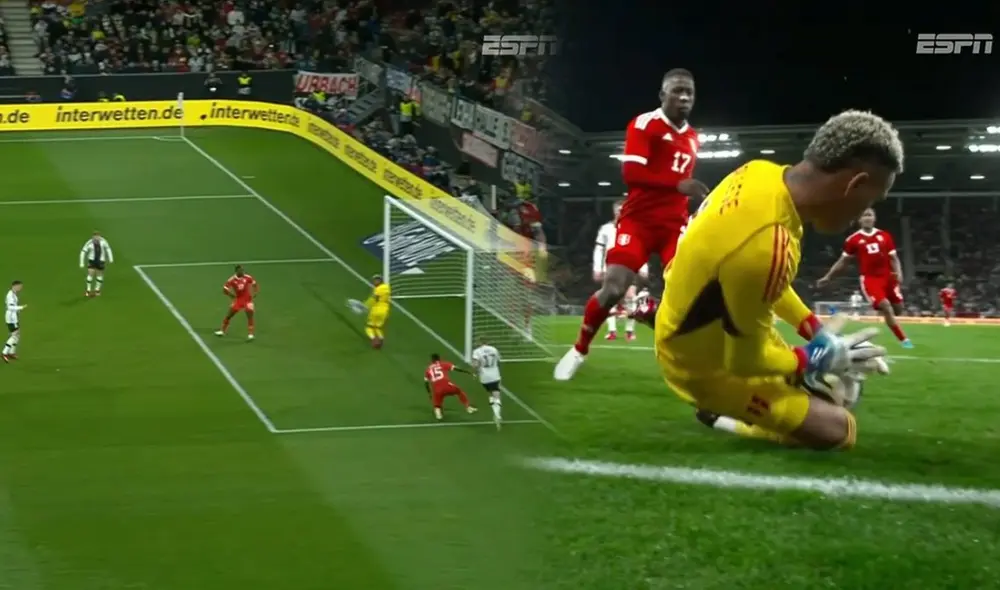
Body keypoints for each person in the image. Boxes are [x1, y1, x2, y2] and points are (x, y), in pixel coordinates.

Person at [649, 110, 898, 450]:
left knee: (835, 391)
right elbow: (744, 361)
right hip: (701, 365)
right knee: (839, 430)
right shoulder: (768, 243)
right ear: (854, 185)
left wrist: (816, 331)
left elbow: (752, 274)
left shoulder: (758, 174)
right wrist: (814, 357)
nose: (861, 215)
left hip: (699, 330)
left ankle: (759, 400)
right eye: (868, 201)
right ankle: (716, 412)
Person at [555, 68, 709, 380]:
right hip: (637, 222)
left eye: (689, 93)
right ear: (662, 95)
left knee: (692, 291)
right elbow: (632, 175)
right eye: (677, 91)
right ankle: (579, 349)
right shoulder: (644, 125)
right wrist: (678, 184)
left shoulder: (693, 138)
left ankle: (675, 343)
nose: (683, 97)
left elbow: (681, 188)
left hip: (673, 226)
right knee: (613, 289)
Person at [816, 208, 912, 348]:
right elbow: (842, 262)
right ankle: (903, 339)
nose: (867, 218)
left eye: (870, 215)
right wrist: (828, 277)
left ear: (874, 218)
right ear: (859, 220)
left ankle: (882, 309)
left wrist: (899, 272)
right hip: (870, 280)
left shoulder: (884, 236)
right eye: (864, 215)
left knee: (898, 309)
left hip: (888, 277)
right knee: (886, 306)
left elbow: (893, 258)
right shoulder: (853, 240)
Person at [593, 200, 649, 341]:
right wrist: (597, 268)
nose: (620, 212)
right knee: (609, 299)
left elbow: (642, 249)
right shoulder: (605, 229)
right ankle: (612, 331)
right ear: (614, 211)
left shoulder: (636, 228)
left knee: (630, 297)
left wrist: (643, 267)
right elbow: (599, 250)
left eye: (623, 210)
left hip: (630, 268)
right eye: (618, 210)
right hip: (610, 269)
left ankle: (629, 331)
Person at [424, 354, 477, 421]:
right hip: (447, 386)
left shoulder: (428, 369)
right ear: (439, 359)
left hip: (437, 390)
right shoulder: (443, 364)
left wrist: (429, 393)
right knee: (459, 391)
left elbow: (426, 383)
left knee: (437, 405)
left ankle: (438, 415)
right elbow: (457, 369)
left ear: (432, 360)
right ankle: (468, 407)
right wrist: (469, 372)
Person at [215, 265, 258, 341]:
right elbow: (225, 288)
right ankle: (222, 331)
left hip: (247, 300)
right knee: (229, 315)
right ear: (237, 271)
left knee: (250, 316)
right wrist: (231, 295)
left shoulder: (247, 277)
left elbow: (255, 284)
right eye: (241, 270)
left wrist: (255, 293)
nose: (242, 272)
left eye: (243, 270)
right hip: (238, 300)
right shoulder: (232, 279)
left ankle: (250, 334)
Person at [471, 339, 504, 429]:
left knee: (490, 394)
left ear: (480, 343)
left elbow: (475, 364)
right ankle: (497, 414)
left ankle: (496, 414)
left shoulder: (477, 351)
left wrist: (474, 373)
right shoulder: (494, 349)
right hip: (495, 375)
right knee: (496, 394)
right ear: (487, 342)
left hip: (484, 376)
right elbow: (499, 361)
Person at [79, 231, 113, 297]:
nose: (96, 238)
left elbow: (108, 249)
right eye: (95, 237)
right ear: (93, 237)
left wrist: (111, 258)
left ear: (99, 237)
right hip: (92, 260)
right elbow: (83, 251)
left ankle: (97, 290)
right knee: (90, 274)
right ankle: (88, 290)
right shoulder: (89, 243)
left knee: (99, 274)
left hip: (101, 260)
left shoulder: (103, 241)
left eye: (97, 236)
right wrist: (81, 262)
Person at [365, 275, 391, 349]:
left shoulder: (378, 289)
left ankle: (373, 339)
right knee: (378, 327)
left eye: (375, 280)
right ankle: (381, 338)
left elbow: (374, 299)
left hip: (376, 309)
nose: (374, 282)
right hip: (385, 310)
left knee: (369, 327)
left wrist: (365, 305)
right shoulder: (387, 287)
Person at [3, 280, 25, 362]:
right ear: (15, 286)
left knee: (17, 335)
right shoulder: (10, 295)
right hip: (11, 318)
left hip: (13, 317)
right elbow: (10, 307)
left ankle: (11, 352)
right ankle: (4, 353)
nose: (20, 288)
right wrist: (21, 307)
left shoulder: (13, 294)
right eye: (19, 286)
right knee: (14, 335)